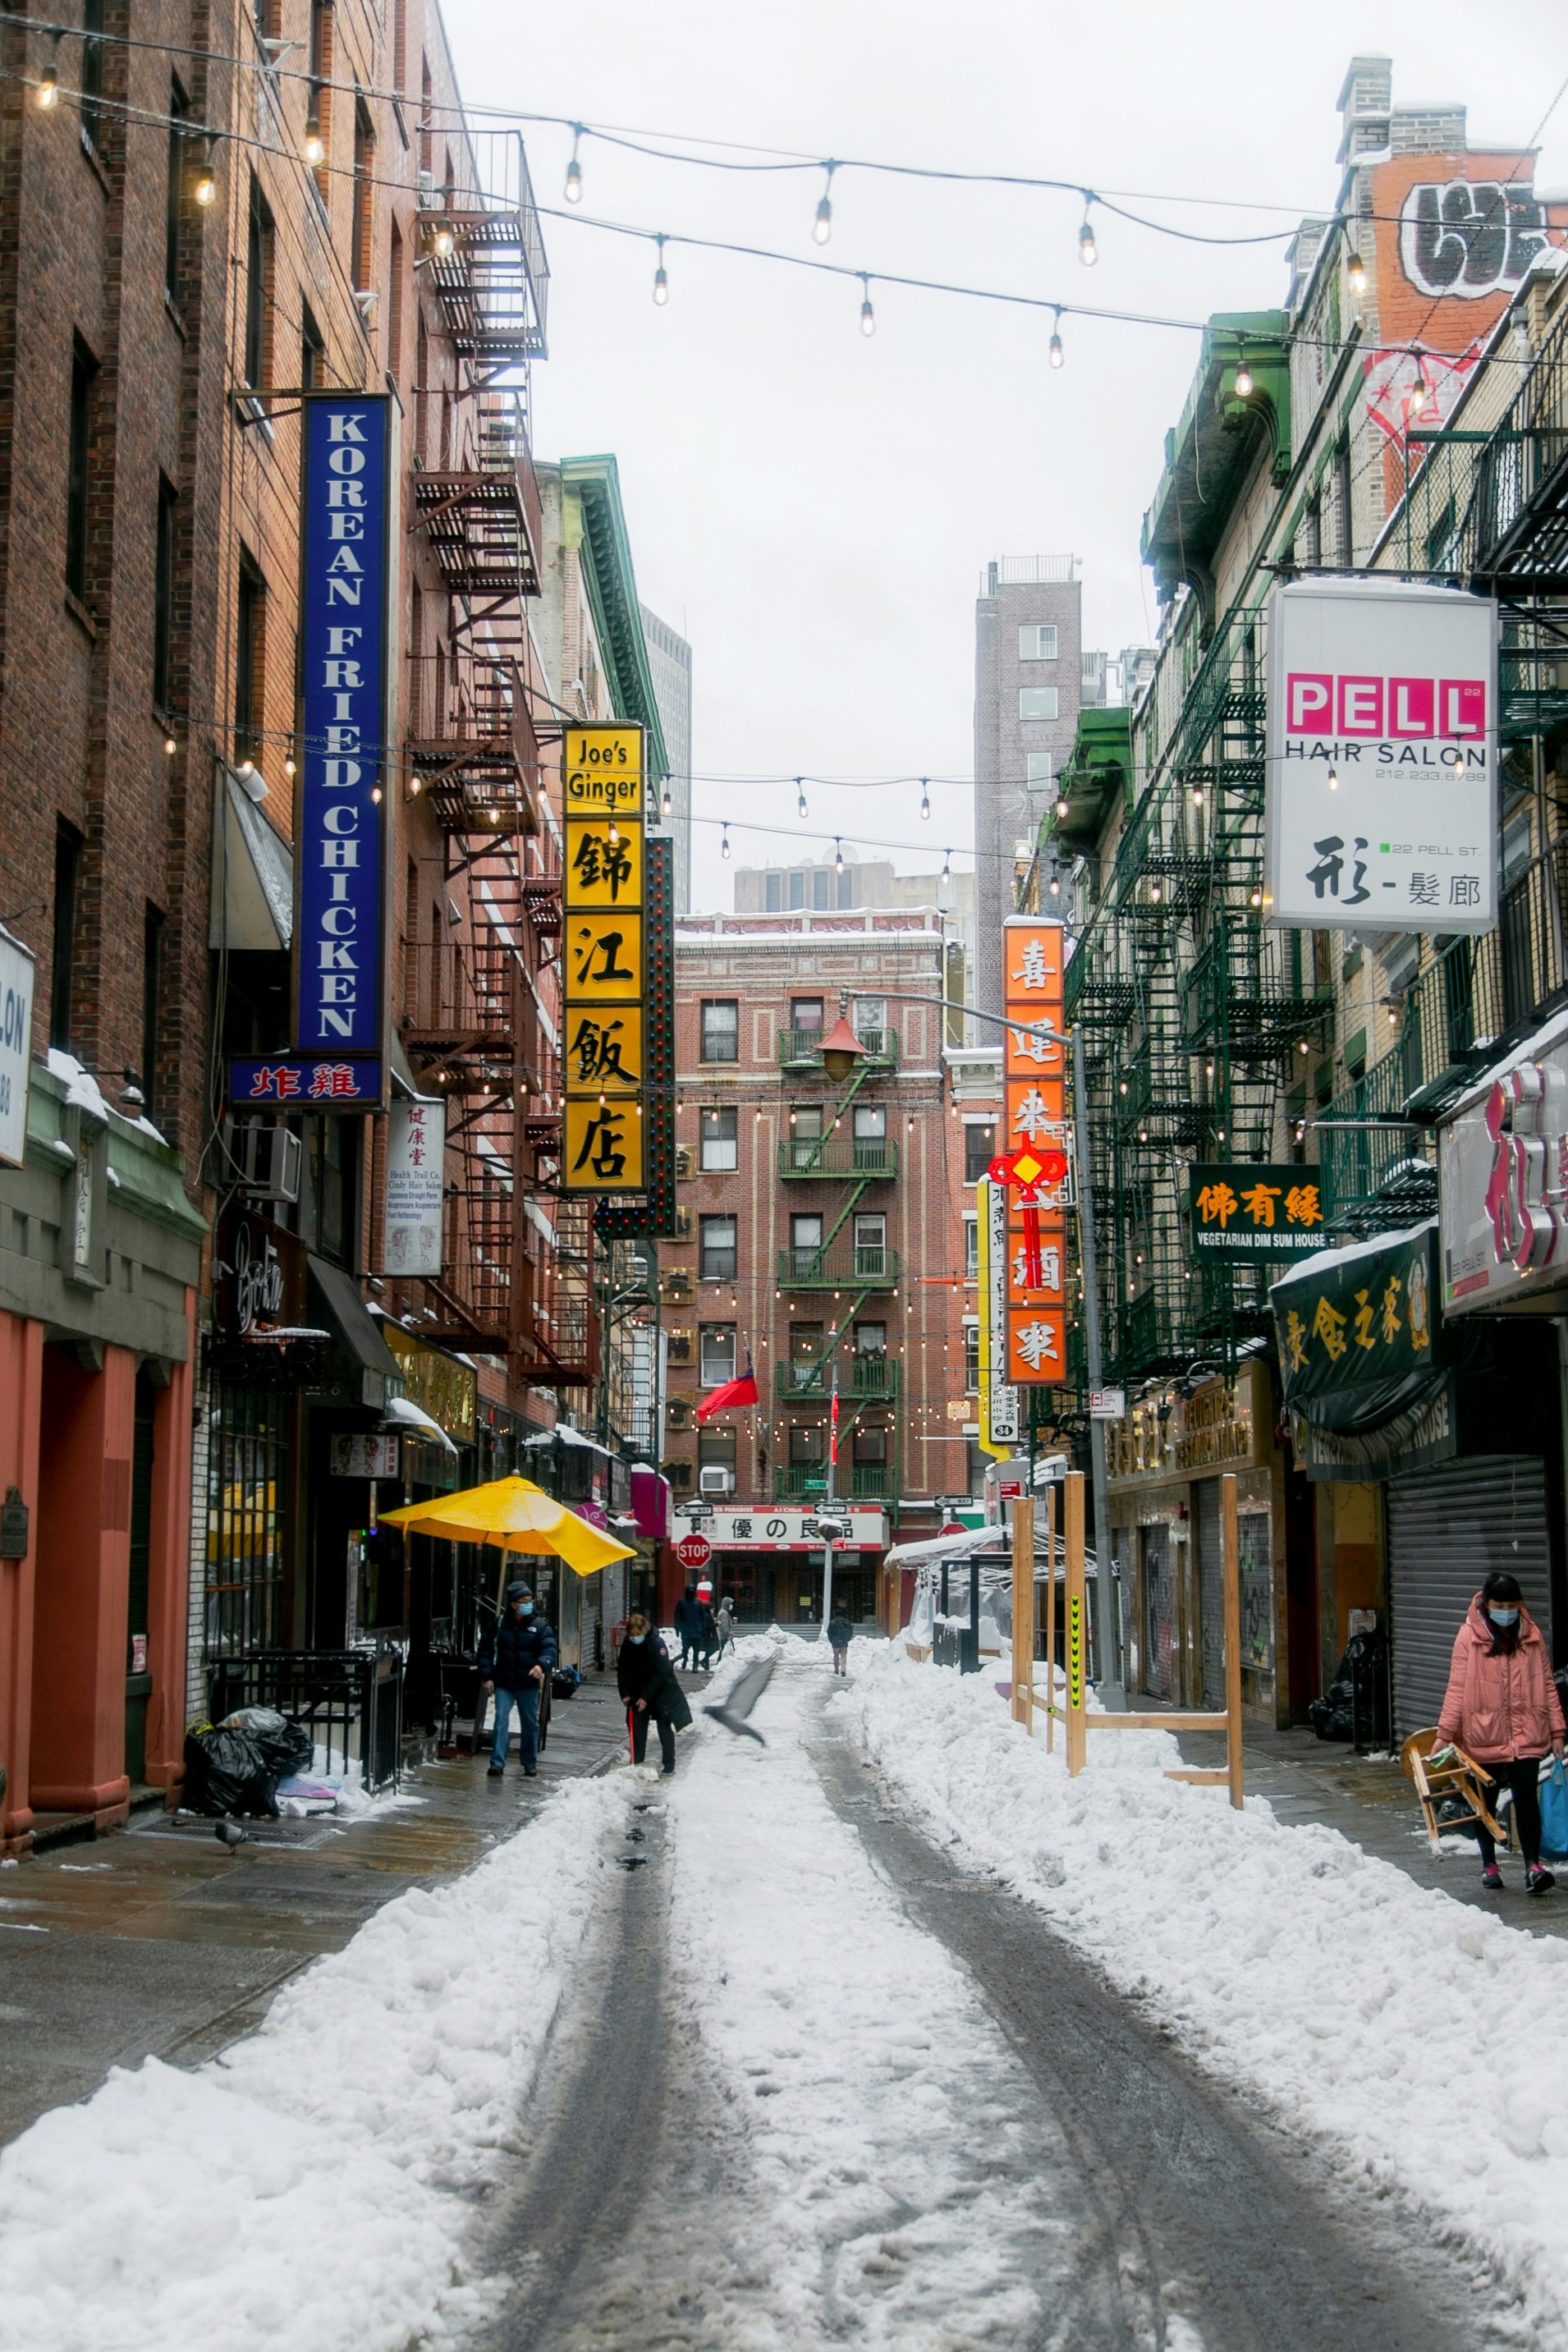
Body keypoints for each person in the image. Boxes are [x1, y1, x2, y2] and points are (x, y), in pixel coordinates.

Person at [1437, 1571, 1566, 1893]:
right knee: (1486, 1803)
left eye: (1511, 1604)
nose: (1506, 1610)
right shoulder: (1469, 1637)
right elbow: (1455, 1688)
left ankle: (1533, 1867)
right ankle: (1489, 1865)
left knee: (1526, 1800)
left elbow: (1548, 1685)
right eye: (1499, 1604)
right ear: (1486, 1603)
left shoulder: (1531, 1635)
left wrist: (1558, 1731)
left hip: (1527, 1732)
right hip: (1483, 1731)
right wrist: (1445, 1734)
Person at [479, 1580, 557, 1780]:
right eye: (523, 1601)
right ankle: (497, 1762)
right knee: (500, 1720)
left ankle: (530, 1762)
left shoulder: (540, 1626)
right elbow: (486, 1650)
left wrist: (541, 1665)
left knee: (530, 1722)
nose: (528, 1604)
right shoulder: (498, 1625)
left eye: (529, 1600)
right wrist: (487, 1676)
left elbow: (549, 1649)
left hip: (527, 1682)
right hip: (504, 1681)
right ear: (513, 1604)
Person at [618, 1612, 692, 1775]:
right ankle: (637, 1765)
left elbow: (661, 1672)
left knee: (664, 1726)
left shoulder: (657, 1644)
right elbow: (622, 1669)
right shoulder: (628, 1644)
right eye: (632, 1635)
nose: (635, 1638)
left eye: (638, 1635)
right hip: (637, 1690)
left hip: (661, 1691)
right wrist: (624, 1693)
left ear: (644, 1632)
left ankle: (669, 1765)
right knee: (637, 1728)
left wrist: (646, 1697)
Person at [673, 1584, 704, 1671]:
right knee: (685, 1649)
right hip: (686, 1630)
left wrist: (703, 1628)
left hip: (696, 1630)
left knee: (696, 1650)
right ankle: (685, 1659)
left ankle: (695, 1665)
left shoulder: (698, 1603)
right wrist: (677, 1628)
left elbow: (703, 1617)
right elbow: (677, 1615)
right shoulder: (681, 1602)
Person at [826, 1604, 854, 1676]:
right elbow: (851, 1632)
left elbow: (829, 1632)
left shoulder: (832, 1623)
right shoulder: (847, 1622)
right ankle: (843, 1670)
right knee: (843, 1656)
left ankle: (836, 1669)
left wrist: (832, 1640)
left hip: (835, 1643)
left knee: (836, 1656)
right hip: (844, 1643)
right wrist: (847, 1639)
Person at [697, 1593, 720, 1671]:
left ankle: (705, 1663)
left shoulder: (707, 1615)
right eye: (712, 1608)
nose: (713, 1610)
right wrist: (716, 1624)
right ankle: (704, 1662)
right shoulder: (706, 1616)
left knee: (709, 1650)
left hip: (708, 1636)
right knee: (712, 1649)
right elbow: (707, 1627)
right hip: (707, 1636)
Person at [714, 1595, 737, 1659]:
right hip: (725, 1636)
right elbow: (725, 1626)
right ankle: (721, 1664)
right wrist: (728, 1635)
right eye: (730, 1604)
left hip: (723, 1636)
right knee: (727, 1651)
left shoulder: (721, 1612)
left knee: (724, 1651)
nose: (731, 1606)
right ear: (727, 1604)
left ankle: (720, 1664)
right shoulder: (724, 1613)